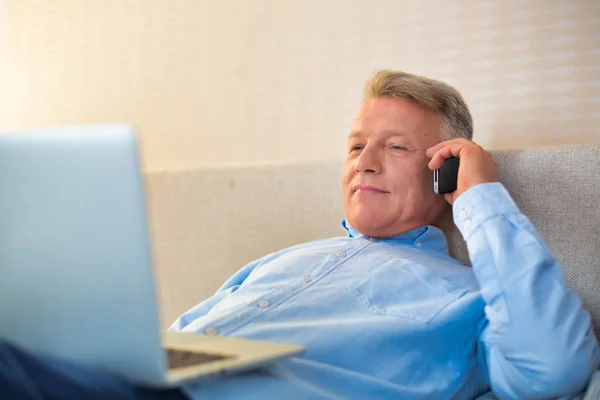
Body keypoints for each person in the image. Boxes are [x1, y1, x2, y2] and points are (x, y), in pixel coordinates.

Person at [1, 70, 599, 400]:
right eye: (354, 146)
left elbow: (555, 368)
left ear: (442, 169)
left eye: (394, 147)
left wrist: (481, 197)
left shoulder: (469, 298)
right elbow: (176, 339)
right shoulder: (282, 262)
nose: (363, 162)